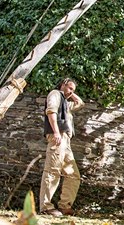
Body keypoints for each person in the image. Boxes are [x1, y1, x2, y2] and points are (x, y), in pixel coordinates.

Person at [39, 78, 85, 216]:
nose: (71, 92)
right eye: (70, 88)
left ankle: (65, 206)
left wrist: (70, 93)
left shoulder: (65, 102)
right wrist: (56, 132)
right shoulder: (55, 94)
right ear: (62, 85)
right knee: (52, 171)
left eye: (73, 90)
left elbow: (80, 103)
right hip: (57, 136)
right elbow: (51, 111)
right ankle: (46, 207)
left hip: (66, 141)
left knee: (73, 175)